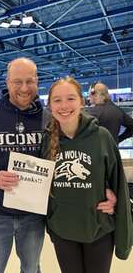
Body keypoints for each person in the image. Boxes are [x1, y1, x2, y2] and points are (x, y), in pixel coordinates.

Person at [0, 58, 116, 273]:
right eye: (17, 81)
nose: (24, 88)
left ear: (37, 82)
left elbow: (81, 154)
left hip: (34, 215)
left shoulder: (51, 120)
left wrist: (105, 188)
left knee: (31, 268)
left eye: (29, 81)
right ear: (7, 82)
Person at [40, 76, 133, 273]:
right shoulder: (46, 141)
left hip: (98, 230)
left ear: (82, 102)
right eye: (57, 100)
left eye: (71, 98)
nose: (64, 105)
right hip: (63, 231)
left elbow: (119, 187)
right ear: (49, 105)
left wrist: (114, 200)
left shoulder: (102, 137)